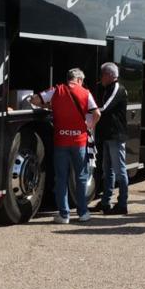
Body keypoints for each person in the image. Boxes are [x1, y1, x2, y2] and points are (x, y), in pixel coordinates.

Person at [32, 68, 101, 225]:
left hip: (61, 141)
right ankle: (83, 212)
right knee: (81, 177)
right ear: (78, 79)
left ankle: (64, 215)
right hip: (79, 142)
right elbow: (97, 113)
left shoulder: (56, 90)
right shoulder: (85, 92)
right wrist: (89, 125)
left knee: (61, 178)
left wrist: (50, 107)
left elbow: (35, 100)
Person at [91, 62, 129, 215]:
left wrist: (88, 111)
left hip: (116, 135)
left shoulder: (117, 89)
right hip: (107, 135)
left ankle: (122, 203)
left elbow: (104, 107)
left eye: (102, 75)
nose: (101, 78)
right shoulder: (106, 88)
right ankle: (106, 202)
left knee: (119, 170)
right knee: (108, 170)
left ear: (109, 75)